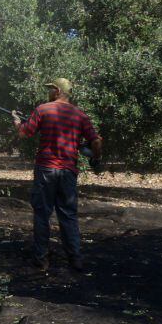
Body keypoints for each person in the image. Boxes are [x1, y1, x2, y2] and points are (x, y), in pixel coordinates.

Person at [14, 77, 102, 272]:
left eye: (51, 89)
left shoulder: (43, 109)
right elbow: (95, 142)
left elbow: (24, 133)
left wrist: (17, 122)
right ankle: (75, 259)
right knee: (68, 215)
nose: (48, 92)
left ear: (57, 91)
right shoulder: (80, 115)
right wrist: (96, 159)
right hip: (68, 172)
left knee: (42, 214)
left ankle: (41, 259)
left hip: (46, 169)